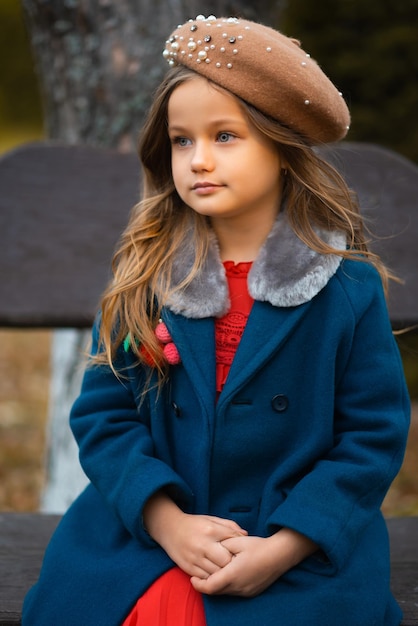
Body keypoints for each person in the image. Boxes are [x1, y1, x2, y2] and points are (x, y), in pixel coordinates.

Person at [23, 14, 410, 626]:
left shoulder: (347, 288)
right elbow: (104, 415)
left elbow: (370, 438)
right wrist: (169, 524)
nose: (198, 159)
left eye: (225, 136)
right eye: (182, 140)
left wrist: (284, 547)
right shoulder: (146, 277)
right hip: (150, 535)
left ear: (282, 149)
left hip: (295, 543)